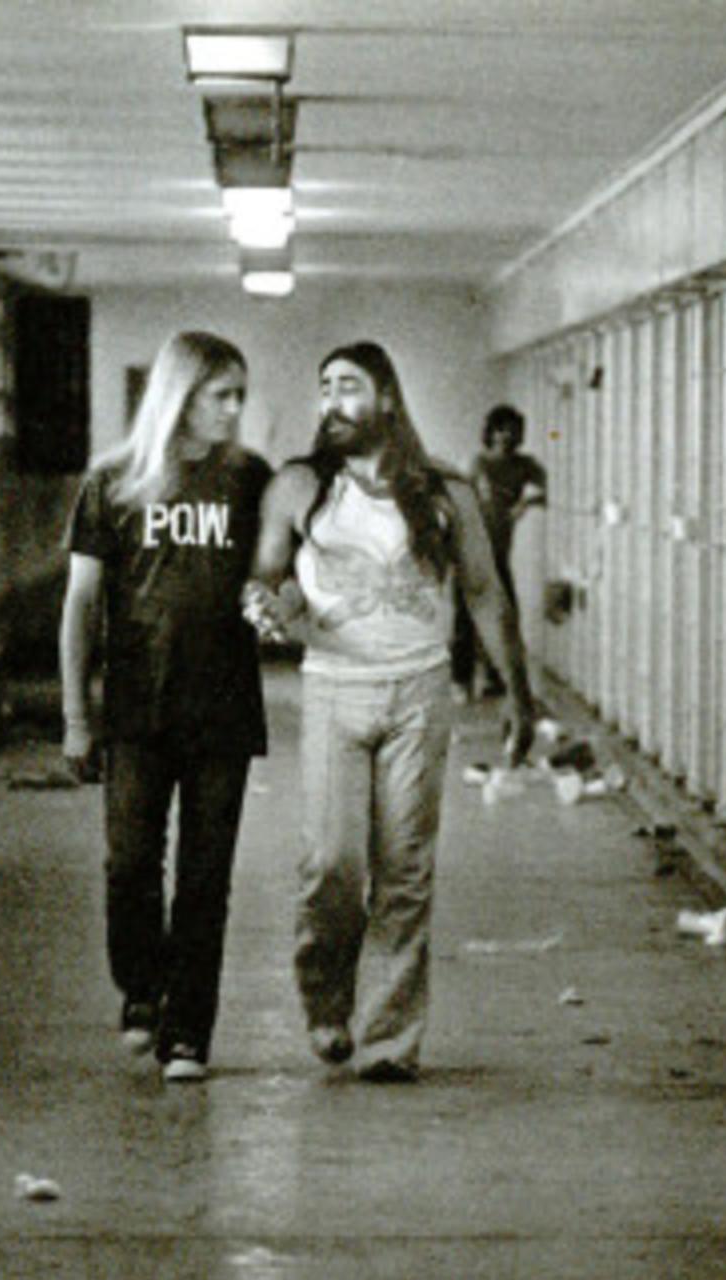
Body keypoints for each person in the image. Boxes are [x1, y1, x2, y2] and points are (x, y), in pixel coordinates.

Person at [243, 342, 533, 1083]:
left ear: (387, 399)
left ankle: (388, 1040)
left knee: (405, 871)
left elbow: (485, 593)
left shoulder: (444, 492)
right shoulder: (299, 485)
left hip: (419, 692)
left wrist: (519, 695)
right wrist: (266, 605)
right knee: (332, 865)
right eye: (325, 388)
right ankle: (327, 1000)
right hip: (333, 689)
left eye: (349, 387)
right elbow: (265, 575)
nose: (332, 402)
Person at [59, 332, 273, 1083]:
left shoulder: (249, 479)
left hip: (223, 708)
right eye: (222, 394)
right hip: (136, 708)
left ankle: (188, 1033)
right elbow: (81, 603)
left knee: (205, 878)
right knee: (129, 865)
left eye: (240, 394)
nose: (235, 408)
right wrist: (75, 717)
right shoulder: (112, 481)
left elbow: (278, 563)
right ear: (181, 396)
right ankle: (142, 987)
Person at [452, 403, 548, 699]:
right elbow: (457, 498)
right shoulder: (477, 464)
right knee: (466, 620)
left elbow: (546, 489)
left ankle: (496, 678)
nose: (507, 436)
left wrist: (525, 503)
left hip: (499, 555)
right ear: (491, 433)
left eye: (513, 431)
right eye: (502, 430)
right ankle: (462, 680)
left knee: (505, 620)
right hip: (471, 553)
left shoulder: (525, 466)